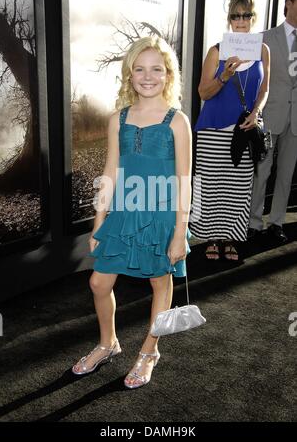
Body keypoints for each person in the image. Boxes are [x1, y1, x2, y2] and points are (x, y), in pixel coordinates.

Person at [72, 36, 192, 389]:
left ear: (168, 75)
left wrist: (179, 232)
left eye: (156, 68)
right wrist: (98, 222)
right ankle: (108, 343)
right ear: (129, 75)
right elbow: (109, 172)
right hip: (124, 213)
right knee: (98, 281)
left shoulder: (177, 120)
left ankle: (150, 350)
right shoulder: (118, 119)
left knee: (159, 282)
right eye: (139, 69)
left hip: (162, 214)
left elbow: (185, 180)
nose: (147, 76)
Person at [190, 0, 270, 261]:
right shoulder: (216, 51)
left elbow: (265, 88)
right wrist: (224, 75)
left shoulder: (262, 50)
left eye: (246, 15)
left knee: (237, 188)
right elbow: (203, 93)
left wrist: (257, 111)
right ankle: (211, 238)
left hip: (244, 130)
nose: (241, 20)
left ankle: (230, 238)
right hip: (213, 129)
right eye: (236, 15)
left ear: (253, 18)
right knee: (211, 185)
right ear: (229, 19)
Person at [248, 0, 297, 243]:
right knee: (262, 171)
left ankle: (276, 222)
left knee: (286, 174)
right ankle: (254, 222)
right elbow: (254, 77)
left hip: (296, 120)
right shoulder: (264, 38)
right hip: (269, 114)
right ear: (288, 2)